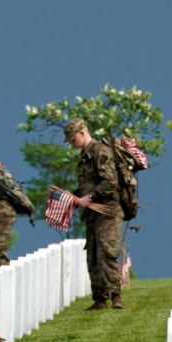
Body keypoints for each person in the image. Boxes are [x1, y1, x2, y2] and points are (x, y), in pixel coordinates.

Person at [67, 118, 124, 310]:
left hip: (108, 210)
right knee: (92, 255)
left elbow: (110, 182)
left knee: (107, 251)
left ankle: (116, 297)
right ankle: (99, 298)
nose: (71, 143)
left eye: (73, 138)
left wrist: (89, 197)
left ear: (82, 133)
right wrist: (73, 197)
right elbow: (85, 185)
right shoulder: (84, 156)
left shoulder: (100, 151)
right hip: (92, 212)